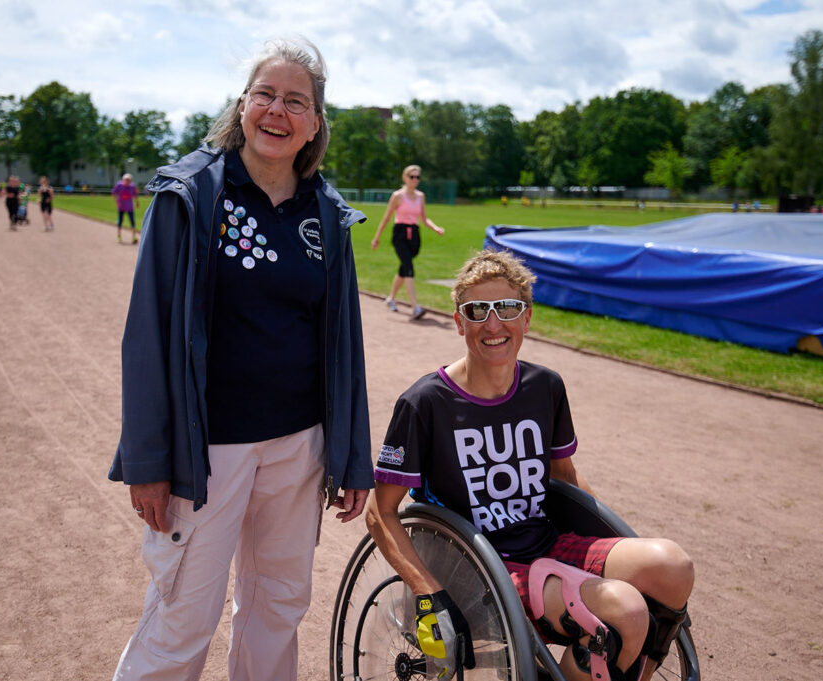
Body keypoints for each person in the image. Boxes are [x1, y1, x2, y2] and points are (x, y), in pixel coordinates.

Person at [108, 37, 373, 681]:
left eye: (295, 102)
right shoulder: (192, 194)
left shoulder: (325, 214)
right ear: (242, 105)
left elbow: (345, 345)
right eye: (265, 96)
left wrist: (352, 454)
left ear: (315, 124)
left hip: (298, 448)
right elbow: (146, 335)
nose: (277, 112)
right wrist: (148, 460)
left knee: (277, 607)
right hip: (209, 451)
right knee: (182, 617)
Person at [365, 249, 694, 681]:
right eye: (477, 310)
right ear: (459, 321)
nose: (493, 323)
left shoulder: (545, 387)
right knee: (625, 610)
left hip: (543, 545)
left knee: (672, 566)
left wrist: (609, 551)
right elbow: (380, 511)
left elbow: (565, 478)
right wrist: (427, 591)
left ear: (527, 317)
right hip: (476, 566)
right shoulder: (424, 403)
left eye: (507, 308)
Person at [370, 165, 445, 320]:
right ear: (405, 177)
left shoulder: (420, 196)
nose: (415, 180)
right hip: (400, 234)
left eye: (417, 177)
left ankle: (391, 298)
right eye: (412, 176)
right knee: (409, 268)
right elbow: (387, 218)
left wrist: (436, 228)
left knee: (404, 268)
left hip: (415, 235)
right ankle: (415, 307)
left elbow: (424, 219)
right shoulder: (397, 196)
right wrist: (376, 237)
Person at [112, 173, 140, 243]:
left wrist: (137, 202)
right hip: (121, 206)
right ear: (123, 180)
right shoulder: (119, 185)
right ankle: (119, 236)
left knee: (132, 222)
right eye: (126, 180)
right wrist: (117, 202)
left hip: (130, 207)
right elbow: (114, 193)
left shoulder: (132, 186)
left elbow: (135, 195)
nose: (127, 181)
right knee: (120, 221)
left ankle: (134, 237)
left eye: (129, 180)